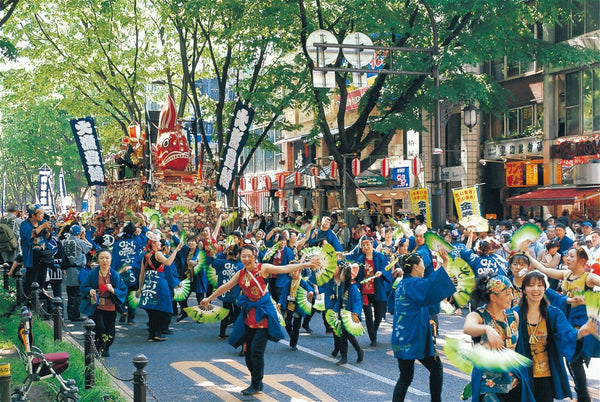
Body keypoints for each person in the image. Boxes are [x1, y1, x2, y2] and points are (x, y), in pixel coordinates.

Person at [199, 244, 320, 396]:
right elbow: (226, 286)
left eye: (249, 256)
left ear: (255, 256)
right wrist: (209, 298)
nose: (247, 259)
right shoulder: (240, 274)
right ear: (239, 257)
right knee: (249, 354)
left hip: (263, 315)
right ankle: (256, 381)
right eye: (243, 256)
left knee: (256, 351)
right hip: (248, 315)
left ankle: (256, 383)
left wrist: (307, 264)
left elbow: (284, 269)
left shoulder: (263, 268)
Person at [514, 270, 597, 401]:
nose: (536, 288)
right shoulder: (513, 314)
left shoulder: (554, 314)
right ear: (524, 290)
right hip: (520, 376)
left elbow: (567, 333)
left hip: (545, 375)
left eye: (540, 285)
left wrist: (581, 332)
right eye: (531, 285)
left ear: (545, 289)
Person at [534, 246, 600, 402]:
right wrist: (526, 255)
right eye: (567, 256)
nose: (567, 258)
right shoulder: (566, 274)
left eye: (571, 256)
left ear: (582, 260)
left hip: (582, 325)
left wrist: (593, 299)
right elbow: (544, 269)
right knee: (573, 359)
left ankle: (583, 396)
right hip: (566, 322)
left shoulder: (588, 278)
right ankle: (583, 395)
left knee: (573, 359)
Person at [391, 249, 455, 402]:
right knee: (436, 368)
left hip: (402, 337)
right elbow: (431, 286)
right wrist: (445, 263)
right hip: (415, 337)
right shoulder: (413, 283)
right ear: (414, 267)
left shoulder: (402, 284)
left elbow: (429, 286)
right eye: (422, 264)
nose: (424, 267)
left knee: (405, 377)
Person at [463, 273, 534, 401]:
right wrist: (487, 329)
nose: (511, 297)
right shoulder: (478, 315)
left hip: (512, 381)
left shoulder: (513, 316)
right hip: (488, 384)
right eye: (507, 293)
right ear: (493, 297)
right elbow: (468, 328)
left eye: (512, 292)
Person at [79, 249, 127, 357]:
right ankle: (98, 345)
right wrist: (89, 290)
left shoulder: (114, 275)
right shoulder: (92, 274)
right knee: (99, 327)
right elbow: (83, 287)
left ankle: (106, 347)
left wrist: (113, 290)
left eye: (107, 258)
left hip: (110, 306)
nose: (104, 260)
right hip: (96, 306)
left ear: (111, 260)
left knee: (110, 331)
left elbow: (123, 290)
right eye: (102, 258)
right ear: (98, 260)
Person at [137, 231, 183, 342]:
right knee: (160, 309)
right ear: (153, 243)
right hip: (159, 284)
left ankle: (151, 335)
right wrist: (176, 250)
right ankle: (156, 333)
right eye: (158, 242)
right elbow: (168, 262)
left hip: (149, 284)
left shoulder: (146, 256)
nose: (160, 244)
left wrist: (140, 287)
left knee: (152, 310)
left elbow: (141, 274)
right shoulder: (158, 254)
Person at [355, 236, 391, 347]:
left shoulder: (380, 257)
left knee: (379, 315)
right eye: (364, 245)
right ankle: (373, 338)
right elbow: (356, 274)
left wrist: (381, 273)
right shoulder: (360, 259)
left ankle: (374, 331)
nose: (366, 247)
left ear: (372, 244)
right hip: (365, 291)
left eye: (368, 244)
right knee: (368, 315)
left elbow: (387, 269)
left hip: (378, 288)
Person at [333, 262, 364, 365]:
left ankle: (359, 351)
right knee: (343, 336)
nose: (341, 275)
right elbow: (340, 301)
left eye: (342, 273)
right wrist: (334, 311)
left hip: (350, 316)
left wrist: (356, 313)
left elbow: (357, 302)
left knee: (349, 336)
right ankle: (344, 357)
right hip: (343, 315)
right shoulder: (343, 287)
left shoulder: (354, 289)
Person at [62, 224, 93, 321]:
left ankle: (70, 313)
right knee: (77, 293)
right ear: (79, 233)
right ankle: (75, 314)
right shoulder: (80, 242)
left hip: (68, 269)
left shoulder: (64, 242)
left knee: (70, 292)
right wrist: (84, 238)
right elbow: (90, 247)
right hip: (78, 269)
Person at [277, 268, 313, 351]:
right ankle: (292, 336)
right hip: (289, 306)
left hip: (298, 308)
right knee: (287, 323)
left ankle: (294, 343)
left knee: (296, 326)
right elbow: (283, 294)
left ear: (299, 272)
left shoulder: (302, 282)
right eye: (292, 271)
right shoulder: (288, 283)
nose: (293, 273)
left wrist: (310, 293)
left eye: (295, 271)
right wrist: (280, 303)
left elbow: (310, 289)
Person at [20, 204, 52, 294]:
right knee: (32, 280)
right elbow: (27, 237)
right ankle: (30, 301)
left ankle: (40, 298)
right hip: (32, 256)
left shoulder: (43, 222)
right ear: (33, 215)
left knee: (42, 280)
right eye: (40, 213)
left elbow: (48, 238)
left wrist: (48, 231)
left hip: (43, 255)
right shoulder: (24, 224)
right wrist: (41, 227)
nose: (42, 215)